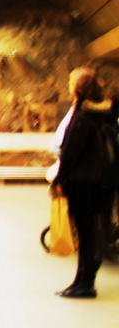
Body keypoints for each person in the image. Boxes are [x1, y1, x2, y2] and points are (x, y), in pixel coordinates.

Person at [52, 68, 117, 298]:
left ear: (78, 88)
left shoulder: (83, 117)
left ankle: (86, 283)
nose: (69, 87)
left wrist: (60, 178)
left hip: (82, 182)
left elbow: (70, 153)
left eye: (71, 83)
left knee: (87, 233)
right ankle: (81, 280)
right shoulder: (94, 114)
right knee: (89, 232)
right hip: (91, 181)